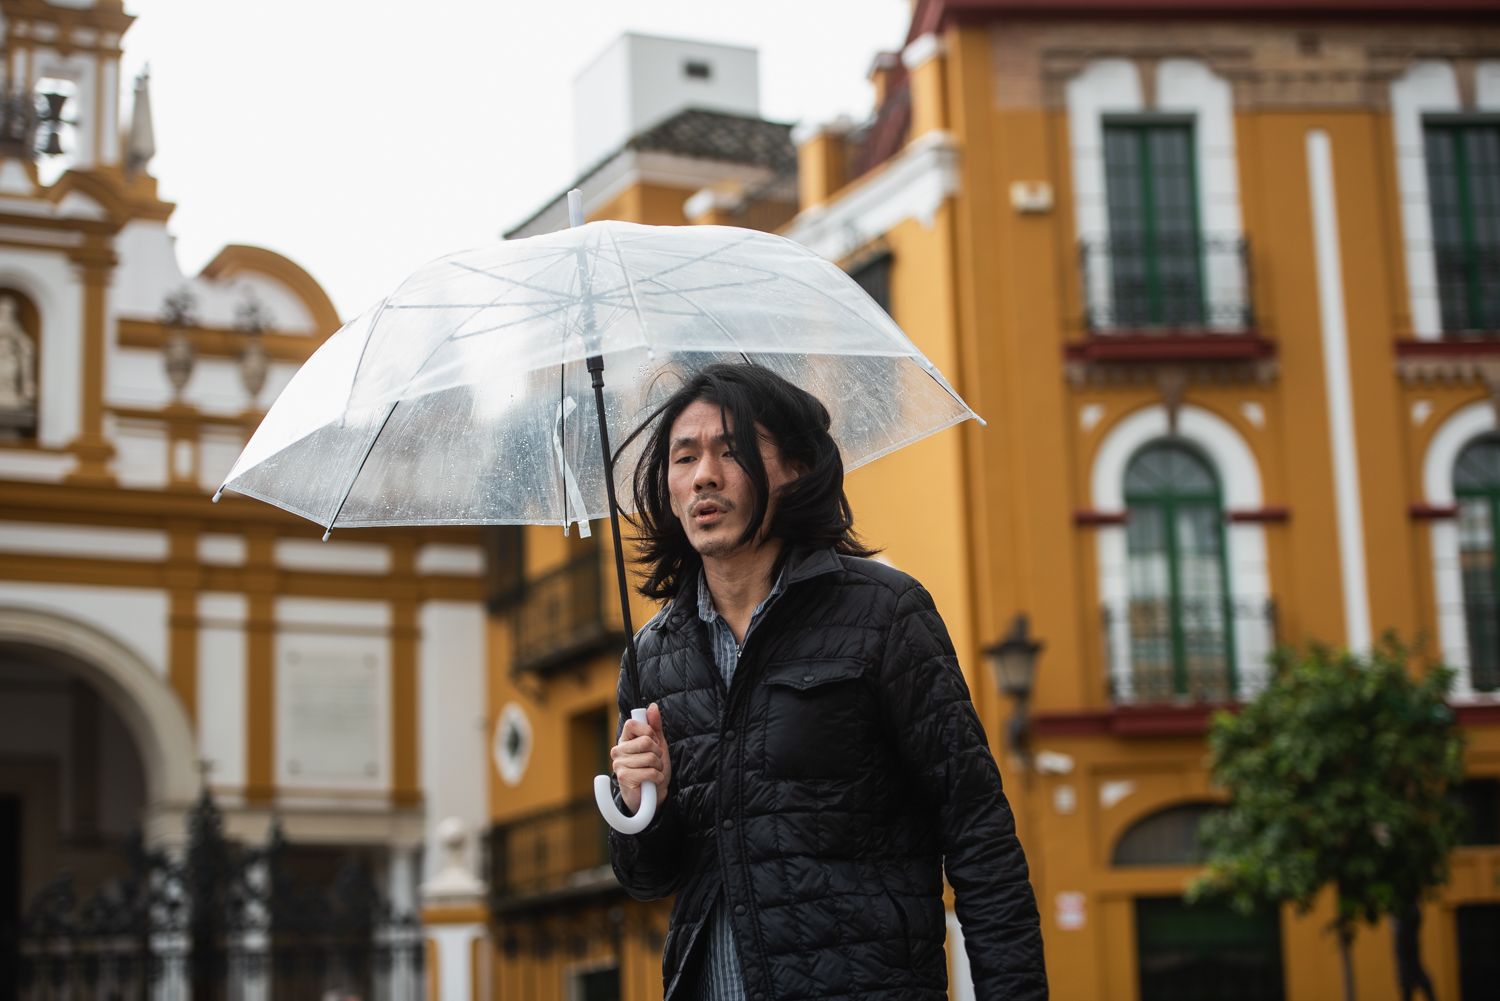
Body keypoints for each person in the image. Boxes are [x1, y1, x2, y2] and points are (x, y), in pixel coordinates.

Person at [608, 363, 1046, 1001]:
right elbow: (648, 879)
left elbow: (978, 830)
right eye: (685, 457)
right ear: (668, 488)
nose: (704, 474)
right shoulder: (651, 658)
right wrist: (640, 803)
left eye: (731, 451)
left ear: (795, 469)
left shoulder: (884, 614)